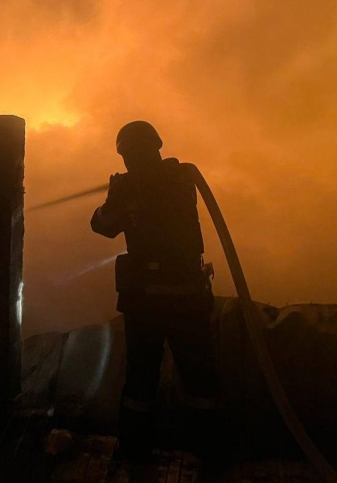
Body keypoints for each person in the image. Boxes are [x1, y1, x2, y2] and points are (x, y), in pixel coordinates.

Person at [90, 121, 220, 461]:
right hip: (188, 298)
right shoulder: (182, 178)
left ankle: (135, 451)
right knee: (199, 377)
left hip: (146, 304)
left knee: (141, 381)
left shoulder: (134, 188)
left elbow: (102, 226)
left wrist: (113, 196)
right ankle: (207, 450)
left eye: (131, 155)